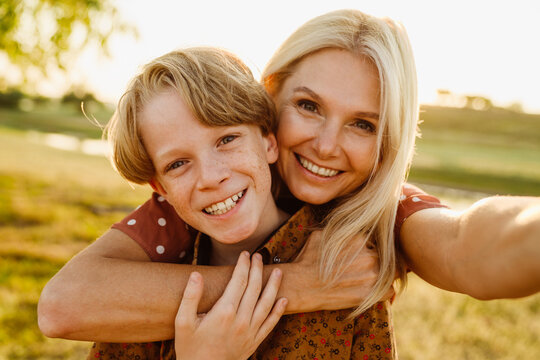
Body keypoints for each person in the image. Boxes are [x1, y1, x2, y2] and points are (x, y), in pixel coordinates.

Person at [38, 8, 540, 357]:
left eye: (363, 124)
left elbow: (465, 244)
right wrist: (292, 287)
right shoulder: (191, 199)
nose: (325, 145)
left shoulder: (370, 212)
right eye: (308, 106)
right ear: (270, 95)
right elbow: (63, 306)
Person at [85, 46, 421, 359]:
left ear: (269, 142)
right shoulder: (133, 292)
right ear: (161, 189)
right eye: (178, 164)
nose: (210, 177)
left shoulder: (344, 276)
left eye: (227, 139)